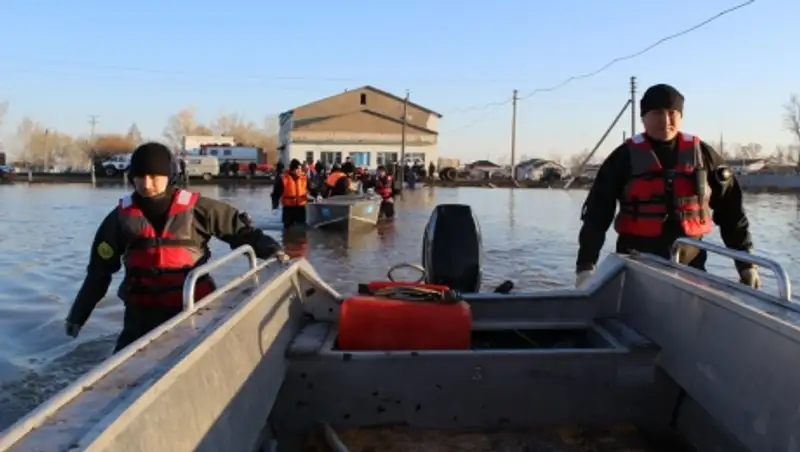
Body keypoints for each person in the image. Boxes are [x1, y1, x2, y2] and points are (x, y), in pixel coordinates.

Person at [64, 142, 287, 353]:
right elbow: (99, 272)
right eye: (140, 176)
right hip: (140, 316)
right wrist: (78, 315)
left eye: (154, 176)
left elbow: (242, 233)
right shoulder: (119, 219)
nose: (146, 184)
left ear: (169, 175)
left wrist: (273, 250)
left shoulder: (199, 209)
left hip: (193, 309)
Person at [575, 83, 760, 290]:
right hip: (635, 267)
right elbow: (596, 216)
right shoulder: (622, 158)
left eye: (672, 113)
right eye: (657, 113)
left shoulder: (704, 156)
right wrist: (586, 266)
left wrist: (746, 263)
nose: (665, 121)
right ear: (644, 118)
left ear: (681, 116)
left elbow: (732, 212)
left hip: (692, 269)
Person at [271, 159, 308, 228]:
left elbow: (311, 188)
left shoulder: (304, 178)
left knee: (301, 229)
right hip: (288, 209)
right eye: (298, 169)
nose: (300, 170)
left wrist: (317, 195)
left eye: (300, 169)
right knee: (287, 229)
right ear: (292, 169)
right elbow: (275, 194)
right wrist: (275, 206)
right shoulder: (283, 179)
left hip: (301, 209)